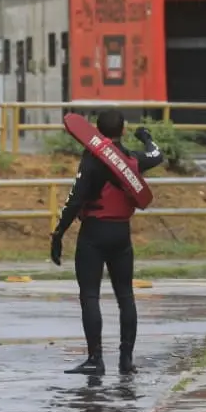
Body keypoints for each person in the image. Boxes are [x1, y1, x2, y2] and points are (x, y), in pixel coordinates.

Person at [49, 110, 164, 375]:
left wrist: (58, 234)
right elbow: (157, 155)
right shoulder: (131, 160)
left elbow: (75, 199)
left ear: (97, 133)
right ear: (123, 131)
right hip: (121, 234)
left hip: (94, 233)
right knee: (125, 295)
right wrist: (146, 138)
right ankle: (126, 360)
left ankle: (95, 359)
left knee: (90, 295)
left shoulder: (93, 159)